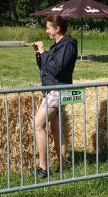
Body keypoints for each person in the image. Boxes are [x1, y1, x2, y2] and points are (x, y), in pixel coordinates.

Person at [31, 15, 78, 178]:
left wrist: (44, 52)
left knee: (38, 124)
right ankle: (63, 166)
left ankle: (43, 168)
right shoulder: (57, 46)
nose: (46, 31)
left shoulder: (67, 45)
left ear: (57, 28)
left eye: (48, 27)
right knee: (55, 128)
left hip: (58, 90)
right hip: (52, 90)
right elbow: (47, 67)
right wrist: (40, 55)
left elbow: (56, 68)